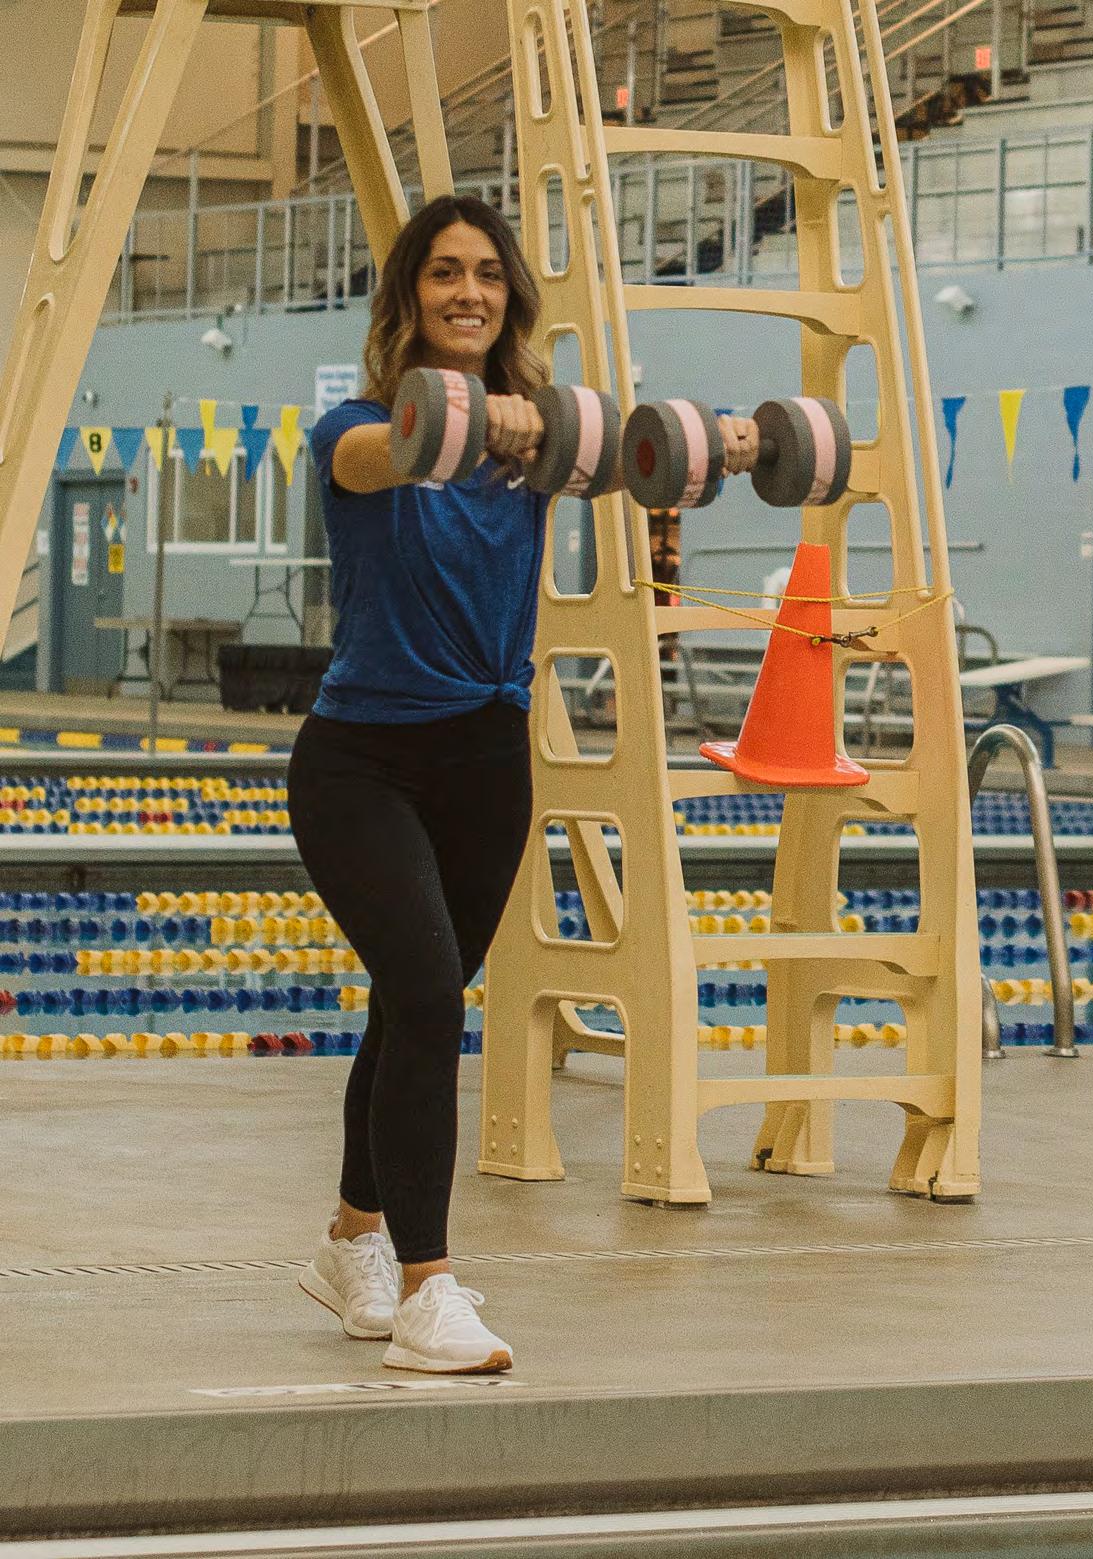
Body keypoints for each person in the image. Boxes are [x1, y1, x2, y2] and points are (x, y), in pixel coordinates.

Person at [288, 192, 762, 1374]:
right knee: (429, 999)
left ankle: (350, 1238)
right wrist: (484, 422)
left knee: (411, 1002)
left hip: (489, 761)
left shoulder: (547, 446)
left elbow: (646, 454)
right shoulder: (358, 428)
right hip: (361, 762)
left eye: (488, 274)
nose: (469, 291)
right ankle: (427, 1291)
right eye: (444, 272)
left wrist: (737, 440)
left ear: (511, 298)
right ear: (409, 297)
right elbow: (384, 453)